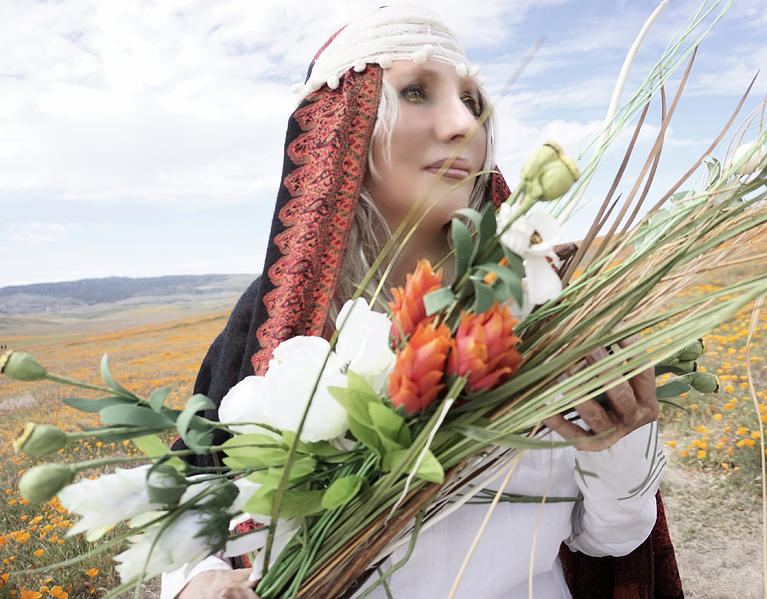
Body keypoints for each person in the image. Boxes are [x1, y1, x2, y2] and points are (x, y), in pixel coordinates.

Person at [162, 4, 682, 598]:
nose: (463, 124)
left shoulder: (550, 308)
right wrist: (198, 578)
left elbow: (611, 540)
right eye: (415, 92)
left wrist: (622, 443)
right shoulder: (273, 322)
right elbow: (195, 490)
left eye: (474, 102)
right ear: (342, 128)